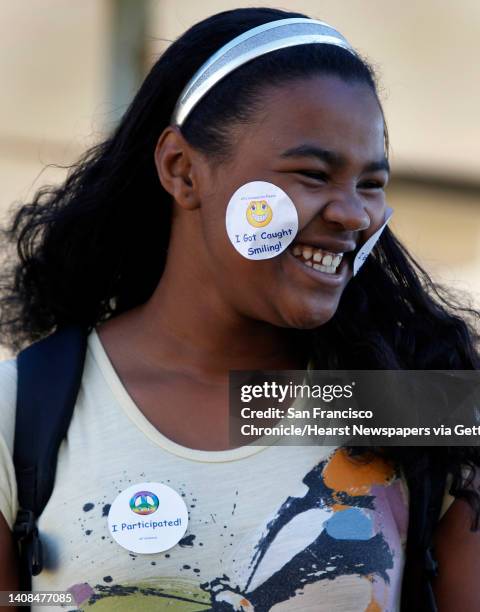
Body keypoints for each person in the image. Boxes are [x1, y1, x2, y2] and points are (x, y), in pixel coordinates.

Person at [0, 6, 479, 611]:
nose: (354, 215)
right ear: (182, 170)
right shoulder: (22, 411)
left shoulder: (417, 406)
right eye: (312, 173)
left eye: (371, 184)